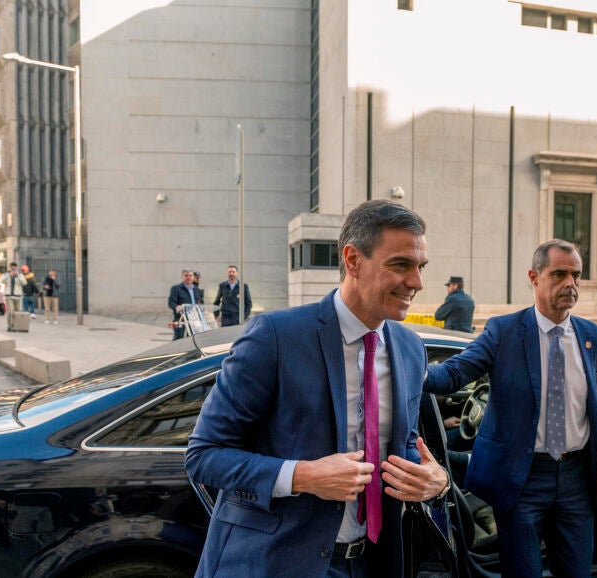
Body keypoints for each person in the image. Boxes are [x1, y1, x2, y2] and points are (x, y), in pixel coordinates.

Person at [186, 200, 449, 577]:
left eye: (420, 267)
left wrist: (436, 481)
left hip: (373, 562)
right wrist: (303, 475)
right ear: (353, 260)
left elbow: (398, 447)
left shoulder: (410, 349)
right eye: (400, 265)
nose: (417, 283)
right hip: (278, 562)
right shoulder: (276, 337)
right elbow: (204, 455)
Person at [425, 239, 597, 578]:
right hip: (522, 478)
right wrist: (412, 369)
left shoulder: (593, 335)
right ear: (534, 277)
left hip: (577, 479)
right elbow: (454, 373)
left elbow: (591, 397)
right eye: (559, 274)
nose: (570, 283)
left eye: (576, 275)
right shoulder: (504, 331)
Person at [168, 269, 200, 340]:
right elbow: (171, 303)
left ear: (193, 277)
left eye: (190, 275)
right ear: (182, 277)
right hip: (181, 320)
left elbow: (199, 303)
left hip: (194, 320)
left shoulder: (196, 289)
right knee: (179, 340)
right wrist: (176, 306)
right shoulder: (176, 288)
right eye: (186, 275)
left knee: (193, 340)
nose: (188, 277)